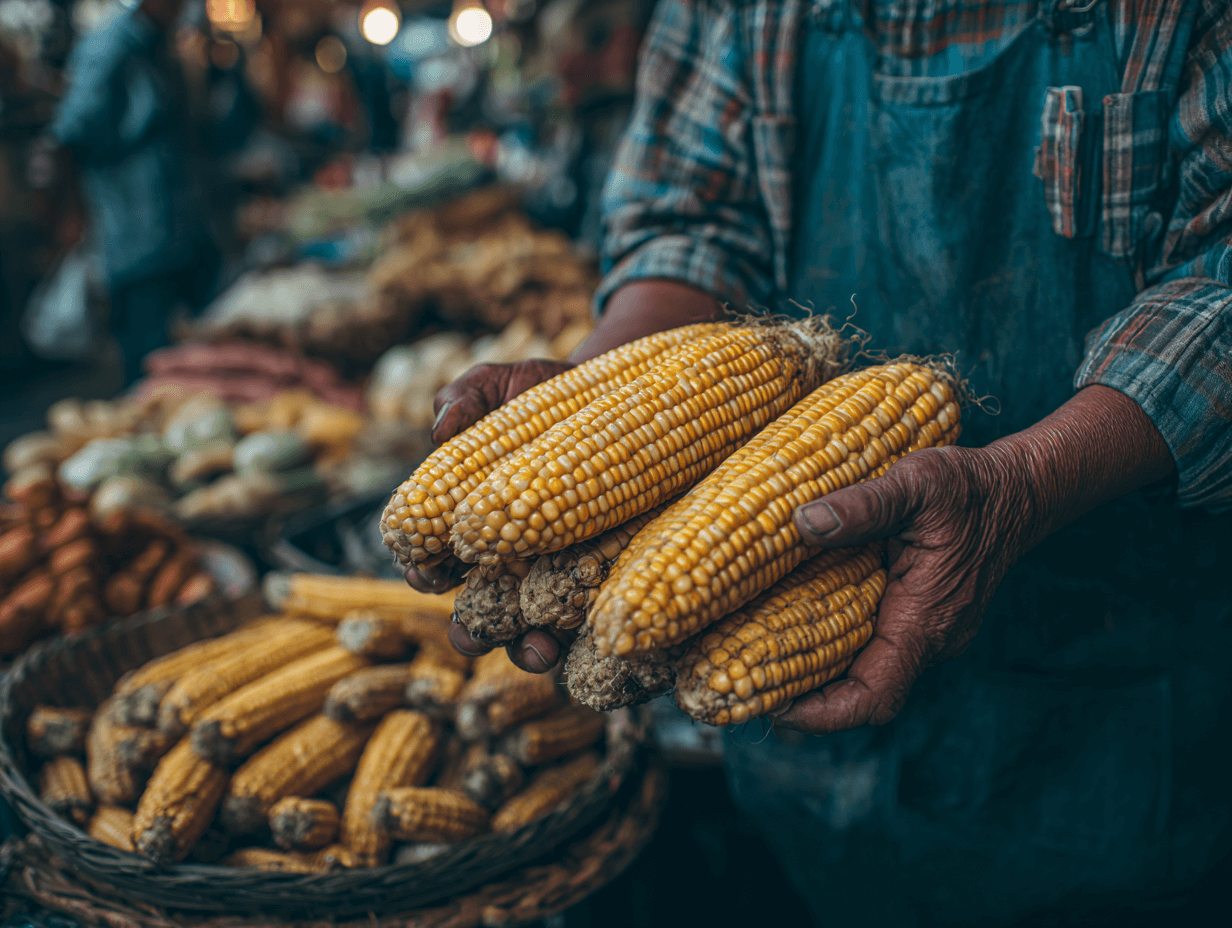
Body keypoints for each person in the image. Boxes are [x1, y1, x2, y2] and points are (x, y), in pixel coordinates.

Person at [411, 0, 1232, 923]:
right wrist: (612, 389)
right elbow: (693, 222)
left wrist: (1026, 481)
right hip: (795, 686)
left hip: (1115, 692)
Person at [49, 0, 218, 383]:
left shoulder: (161, 43)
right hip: (137, 241)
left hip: (183, 234)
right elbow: (66, 138)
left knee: (205, 359)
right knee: (150, 369)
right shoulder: (109, 48)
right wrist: (71, 220)